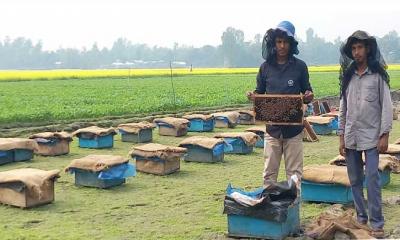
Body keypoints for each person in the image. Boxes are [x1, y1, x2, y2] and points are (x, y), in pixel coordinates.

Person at [338, 30, 392, 239]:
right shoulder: (349, 77)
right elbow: (343, 109)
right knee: (354, 179)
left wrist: (384, 134)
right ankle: (361, 218)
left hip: (372, 137)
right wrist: (341, 136)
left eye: (360, 47)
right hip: (351, 136)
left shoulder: (377, 76)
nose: (357, 51)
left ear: (368, 49)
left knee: (372, 178)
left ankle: (377, 222)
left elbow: (386, 108)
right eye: (353, 48)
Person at [247, 21, 314, 187]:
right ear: (274, 43)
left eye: (285, 42)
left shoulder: (300, 67)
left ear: (291, 44)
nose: (282, 46)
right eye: (279, 42)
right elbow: (259, 92)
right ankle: (269, 210)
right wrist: (253, 96)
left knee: (294, 176)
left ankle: (292, 211)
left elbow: (308, 92)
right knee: (269, 175)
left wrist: (308, 96)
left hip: (294, 130)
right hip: (272, 130)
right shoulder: (265, 68)